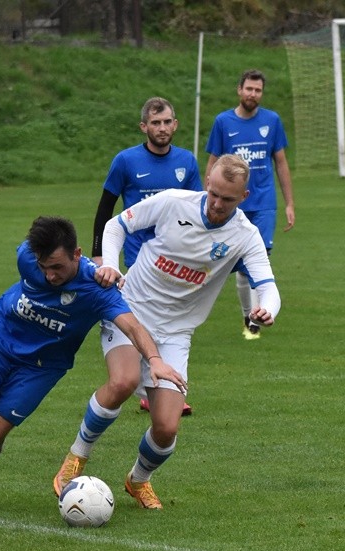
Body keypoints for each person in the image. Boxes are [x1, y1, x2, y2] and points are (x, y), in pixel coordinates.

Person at [53, 154, 280, 510]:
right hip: (130, 310)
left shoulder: (245, 236)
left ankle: (138, 480)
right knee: (123, 381)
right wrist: (110, 265)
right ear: (207, 181)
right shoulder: (173, 202)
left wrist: (267, 309)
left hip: (176, 333)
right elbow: (115, 226)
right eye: (214, 193)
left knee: (166, 428)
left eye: (228, 199)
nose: (217, 204)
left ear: (244, 197)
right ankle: (76, 458)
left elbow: (267, 285)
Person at [0, 216, 186, 510]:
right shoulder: (27, 257)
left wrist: (154, 360)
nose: (50, 276)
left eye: (57, 267)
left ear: (77, 254)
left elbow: (132, 326)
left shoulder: (97, 288)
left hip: (41, 367)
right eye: (44, 267)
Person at [93, 96, 201, 417]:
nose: (162, 128)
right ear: (144, 127)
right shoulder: (126, 161)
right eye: (155, 123)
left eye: (167, 122)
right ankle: (152, 387)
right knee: (143, 318)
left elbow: (196, 209)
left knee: (171, 320)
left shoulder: (187, 162)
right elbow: (105, 209)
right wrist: (100, 255)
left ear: (175, 124)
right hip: (137, 258)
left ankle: (157, 385)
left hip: (174, 260)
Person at [205, 69, 294, 340]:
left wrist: (289, 203)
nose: (253, 94)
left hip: (264, 203)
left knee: (259, 259)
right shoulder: (223, 122)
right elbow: (213, 164)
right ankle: (248, 314)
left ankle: (255, 319)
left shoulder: (272, 121)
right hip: (234, 205)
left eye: (258, 90)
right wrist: (206, 200)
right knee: (241, 268)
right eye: (249, 89)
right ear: (239, 90)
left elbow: (281, 162)